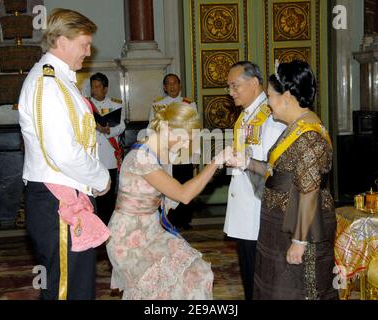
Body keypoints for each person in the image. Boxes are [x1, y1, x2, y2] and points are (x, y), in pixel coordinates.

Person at [18, 8, 111, 300]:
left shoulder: (61, 81)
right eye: (84, 43)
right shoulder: (47, 83)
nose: (88, 50)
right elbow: (63, 151)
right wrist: (101, 178)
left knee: (77, 288)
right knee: (65, 291)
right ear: (61, 40)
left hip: (66, 196)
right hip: (56, 200)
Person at [230, 60, 338, 299]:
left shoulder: (309, 135)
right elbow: (276, 170)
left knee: (296, 289)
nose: (267, 103)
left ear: (286, 96)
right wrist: (246, 163)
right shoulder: (293, 127)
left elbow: (309, 192)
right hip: (280, 223)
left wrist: (299, 241)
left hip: (300, 225)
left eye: (269, 96)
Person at [106, 102, 232, 299]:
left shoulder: (157, 154)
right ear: (165, 129)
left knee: (196, 273)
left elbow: (170, 196)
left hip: (150, 230)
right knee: (161, 290)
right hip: (130, 238)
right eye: (182, 139)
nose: (184, 146)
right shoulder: (142, 157)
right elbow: (183, 195)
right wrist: (215, 162)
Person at [223, 61, 286, 300]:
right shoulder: (247, 115)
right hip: (245, 207)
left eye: (235, 86)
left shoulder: (271, 116)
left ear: (254, 83)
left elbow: (275, 168)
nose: (231, 92)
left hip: (258, 209)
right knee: (250, 275)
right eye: (229, 87)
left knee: (261, 278)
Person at [149, 74, 198, 230]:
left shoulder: (189, 104)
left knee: (185, 184)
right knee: (166, 185)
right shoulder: (157, 104)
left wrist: (195, 154)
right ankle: (167, 218)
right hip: (165, 151)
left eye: (174, 83)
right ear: (164, 87)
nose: (172, 86)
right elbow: (151, 128)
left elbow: (195, 129)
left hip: (184, 151)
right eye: (168, 84)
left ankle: (184, 220)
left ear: (179, 85)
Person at [88, 72, 126, 225]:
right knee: (94, 192)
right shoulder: (86, 105)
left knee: (109, 194)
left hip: (109, 155)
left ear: (105, 88)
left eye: (97, 87)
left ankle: (109, 224)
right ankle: (95, 224)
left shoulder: (115, 104)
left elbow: (122, 126)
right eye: (92, 87)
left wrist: (108, 130)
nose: (94, 90)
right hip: (93, 155)